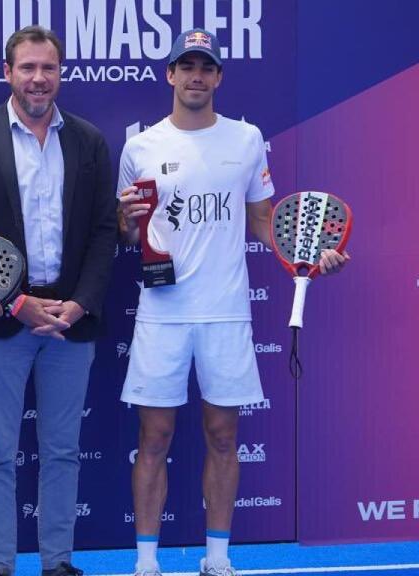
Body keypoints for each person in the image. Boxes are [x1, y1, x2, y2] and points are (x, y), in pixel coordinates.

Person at [115, 28, 348, 576]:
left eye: (206, 67)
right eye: (186, 66)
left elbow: (266, 221)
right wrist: (126, 223)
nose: (196, 76)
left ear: (218, 77)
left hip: (225, 313)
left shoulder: (246, 140)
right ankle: (146, 562)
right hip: (162, 313)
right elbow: (131, 235)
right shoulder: (140, 147)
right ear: (170, 75)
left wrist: (310, 257)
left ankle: (216, 557)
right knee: (154, 438)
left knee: (223, 437)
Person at [0, 25, 117, 576]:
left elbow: (101, 232)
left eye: (48, 68)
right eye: (27, 68)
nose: (38, 79)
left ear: (60, 73)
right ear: (8, 73)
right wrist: (16, 302)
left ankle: (56, 563)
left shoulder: (88, 140)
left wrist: (82, 301)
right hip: (3, 320)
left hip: (69, 321)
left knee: (62, 451)